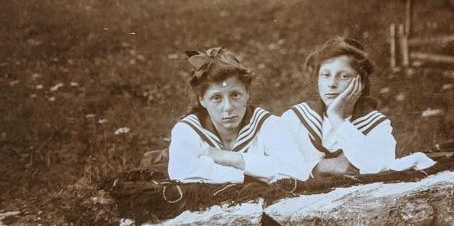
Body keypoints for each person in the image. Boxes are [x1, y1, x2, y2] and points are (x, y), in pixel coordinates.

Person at [281, 36, 435, 178]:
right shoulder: (297, 118)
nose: (332, 84)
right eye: (325, 75)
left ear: (360, 83)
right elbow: (274, 165)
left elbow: (378, 167)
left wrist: (336, 117)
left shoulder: (376, 124)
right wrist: (321, 167)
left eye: (343, 76)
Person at [168, 46, 310, 184]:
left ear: (247, 93)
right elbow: (181, 172)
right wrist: (251, 176)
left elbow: (297, 171)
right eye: (216, 98)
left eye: (235, 95)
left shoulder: (268, 124)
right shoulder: (188, 129)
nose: (228, 107)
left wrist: (233, 159)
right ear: (202, 100)